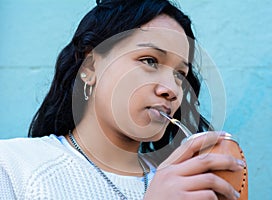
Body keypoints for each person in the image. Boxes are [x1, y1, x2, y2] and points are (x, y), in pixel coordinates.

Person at [0, 0, 245, 199]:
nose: (171, 89)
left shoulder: (186, 184)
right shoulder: (12, 166)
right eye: (149, 60)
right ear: (91, 65)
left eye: (180, 74)